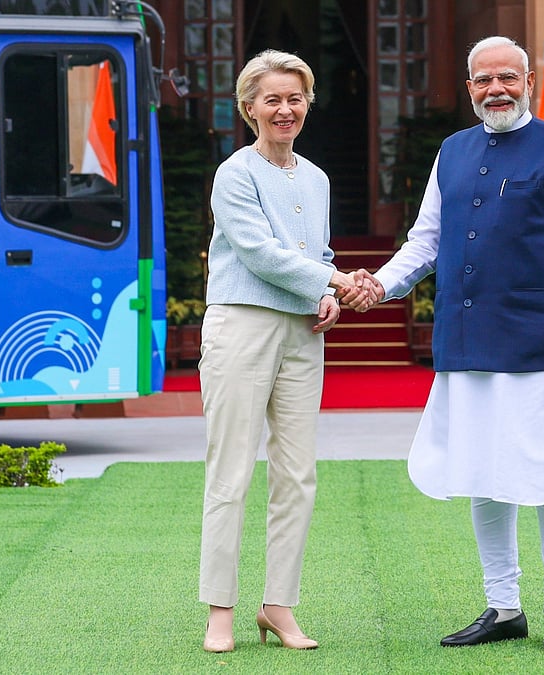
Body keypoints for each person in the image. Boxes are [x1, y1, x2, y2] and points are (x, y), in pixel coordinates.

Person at [349, 35, 544, 652]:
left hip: (542, 348)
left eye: (507, 78)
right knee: (481, 473)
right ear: (469, 88)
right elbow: (425, 241)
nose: (495, 89)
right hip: (466, 343)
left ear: (528, 83)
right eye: (481, 80)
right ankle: (503, 606)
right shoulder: (452, 151)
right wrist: (376, 286)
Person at [198, 49, 358, 654]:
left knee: (297, 474)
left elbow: (317, 254)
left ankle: (278, 606)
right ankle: (220, 611)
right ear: (249, 109)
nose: (285, 109)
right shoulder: (235, 173)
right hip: (240, 326)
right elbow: (261, 253)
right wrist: (334, 282)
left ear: (306, 105)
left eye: (295, 98)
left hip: (301, 334)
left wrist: (330, 290)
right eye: (273, 100)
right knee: (231, 473)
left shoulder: (315, 178)